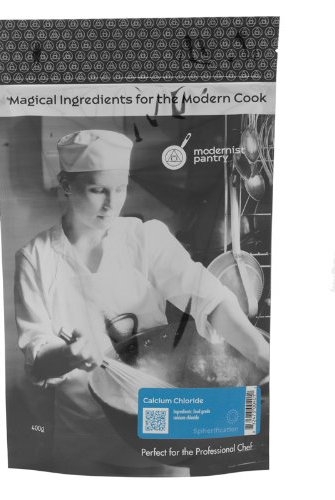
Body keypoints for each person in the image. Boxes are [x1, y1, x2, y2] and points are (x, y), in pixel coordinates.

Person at [14, 129, 269, 476]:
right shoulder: (36, 259)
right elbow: (38, 362)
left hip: (161, 433)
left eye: (120, 189)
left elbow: (208, 296)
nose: (112, 203)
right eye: (98, 190)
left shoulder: (144, 238)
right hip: (84, 437)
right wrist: (68, 355)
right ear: (66, 184)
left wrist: (261, 353)